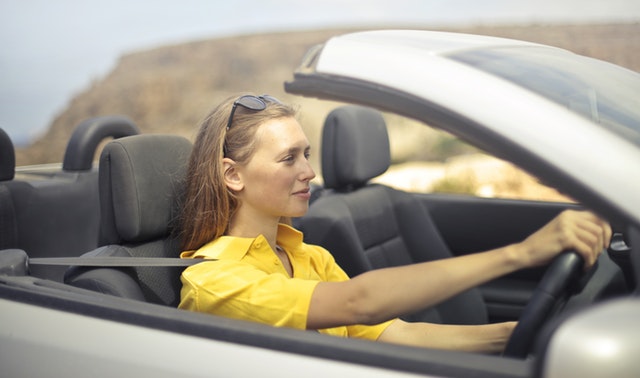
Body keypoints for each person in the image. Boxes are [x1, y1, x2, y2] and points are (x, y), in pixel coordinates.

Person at [177, 94, 611, 353]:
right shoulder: (214, 280)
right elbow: (357, 303)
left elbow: (397, 334)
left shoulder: (308, 256)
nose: (309, 171)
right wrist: (521, 254)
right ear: (232, 174)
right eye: (289, 158)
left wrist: (525, 335)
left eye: (306, 154)